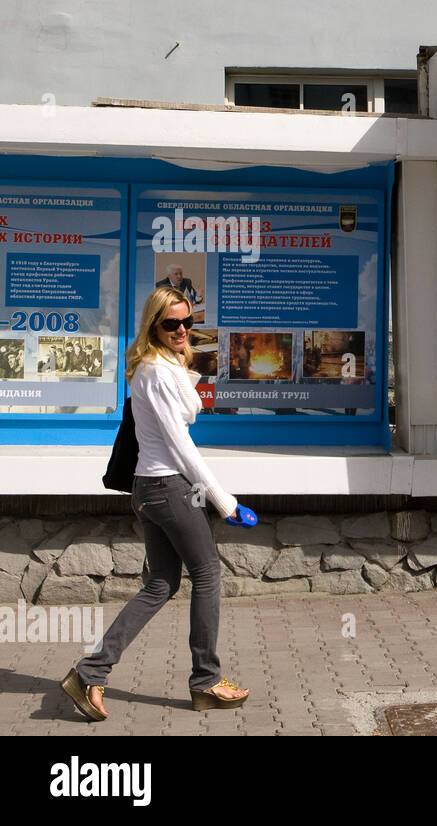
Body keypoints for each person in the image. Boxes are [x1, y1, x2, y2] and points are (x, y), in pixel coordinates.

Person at [61, 286, 253, 722]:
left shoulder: (158, 366)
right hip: (169, 487)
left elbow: (178, 414)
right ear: (154, 325)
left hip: (150, 489)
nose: (182, 329)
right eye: (171, 323)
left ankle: (90, 672)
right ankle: (205, 681)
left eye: (188, 322)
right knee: (207, 573)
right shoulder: (156, 372)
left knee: (161, 584)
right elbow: (181, 445)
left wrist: (184, 361)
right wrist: (225, 502)